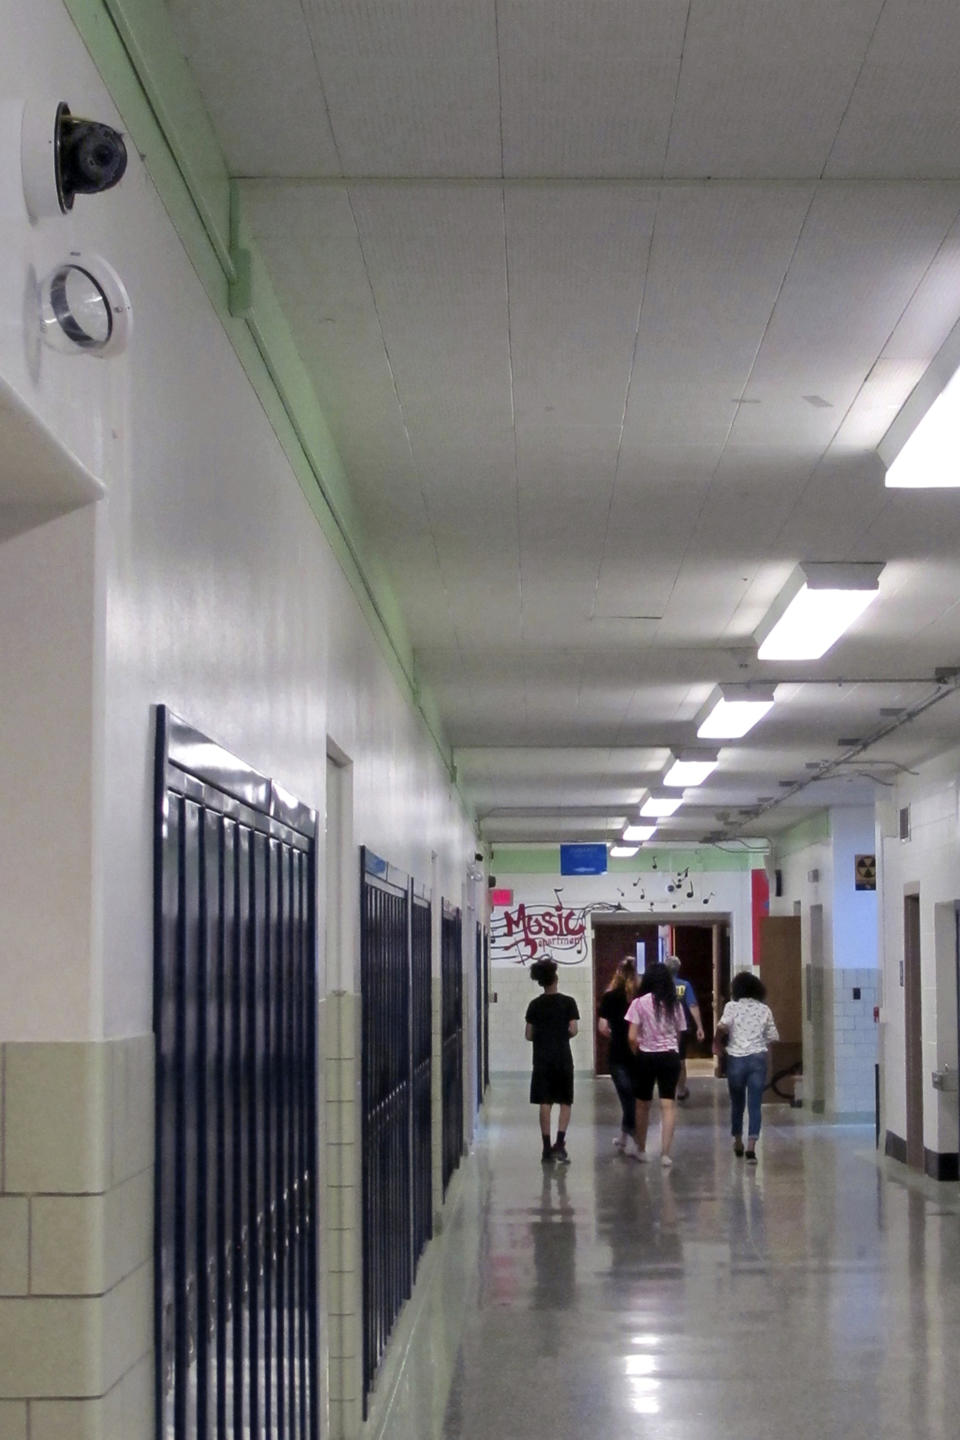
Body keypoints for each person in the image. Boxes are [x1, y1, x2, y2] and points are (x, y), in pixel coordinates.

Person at [625, 961, 687, 1167]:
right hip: (670, 1057)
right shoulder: (675, 1004)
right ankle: (665, 1155)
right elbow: (679, 1034)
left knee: (642, 1104)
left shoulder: (639, 1003)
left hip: (646, 1056)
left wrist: (638, 1053)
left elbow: (632, 1037)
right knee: (667, 1105)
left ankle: (641, 1150)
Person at [714, 970, 779, 1162]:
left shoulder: (731, 1007)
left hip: (736, 1059)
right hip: (758, 1059)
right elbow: (772, 1037)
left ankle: (737, 1140)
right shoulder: (764, 1010)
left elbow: (722, 1027)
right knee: (755, 1104)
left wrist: (716, 1043)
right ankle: (752, 1146)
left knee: (737, 1103)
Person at [525, 956, 580, 1163]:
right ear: (555, 979)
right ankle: (560, 1142)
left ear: (541, 981)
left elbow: (529, 1035)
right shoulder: (568, 1002)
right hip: (563, 1058)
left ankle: (546, 1147)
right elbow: (573, 1030)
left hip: (541, 1060)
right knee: (565, 1100)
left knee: (545, 1101)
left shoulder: (534, 1005)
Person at [597, 956, 640, 1156]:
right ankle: (627, 1136)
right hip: (639, 1052)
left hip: (617, 1053)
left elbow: (603, 1028)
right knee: (632, 1097)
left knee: (627, 1097)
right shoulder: (641, 996)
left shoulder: (609, 996)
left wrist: (616, 1033)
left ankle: (632, 1135)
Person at [665, 954, 706, 1100]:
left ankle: (667, 1088)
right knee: (680, 1060)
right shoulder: (684, 986)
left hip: (661, 1029)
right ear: (678, 969)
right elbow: (692, 1005)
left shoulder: (660, 986)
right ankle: (681, 1090)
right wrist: (699, 1027)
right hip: (681, 1028)